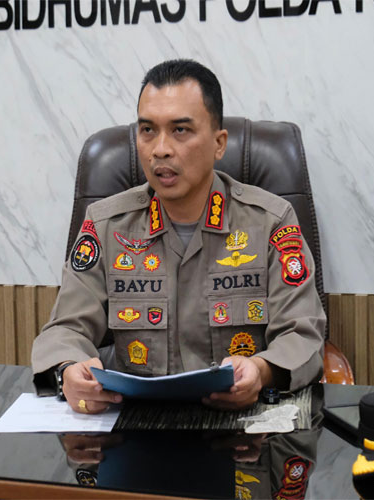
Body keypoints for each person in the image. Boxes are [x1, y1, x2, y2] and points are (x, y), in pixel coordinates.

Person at [31, 59, 326, 413]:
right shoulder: (107, 225)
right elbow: (65, 330)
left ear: (219, 144)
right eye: (147, 130)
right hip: (137, 425)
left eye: (180, 130)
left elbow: (302, 334)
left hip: (241, 427)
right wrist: (68, 371)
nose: (160, 149)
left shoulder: (270, 222)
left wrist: (262, 371)